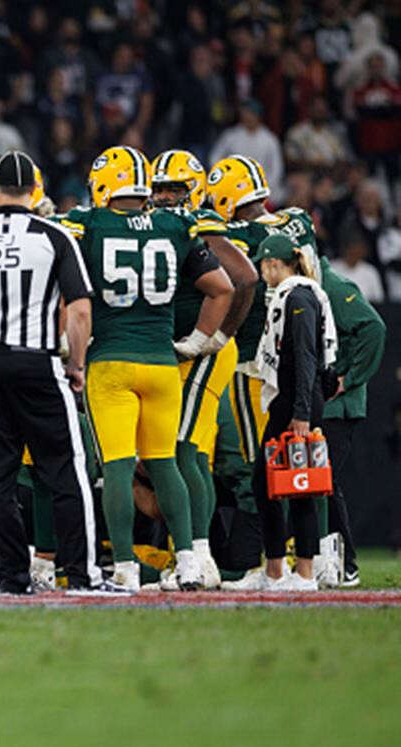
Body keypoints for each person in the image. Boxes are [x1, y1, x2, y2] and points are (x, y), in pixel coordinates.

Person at [57, 146, 234, 592]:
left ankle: (124, 569)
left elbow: (64, 291)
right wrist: (198, 340)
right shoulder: (174, 224)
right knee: (166, 464)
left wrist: (66, 342)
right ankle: (190, 560)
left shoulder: (89, 224)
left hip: (111, 361)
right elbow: (222, 288)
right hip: (160, 362)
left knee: (116, 469)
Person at [0, 151, 96, 594]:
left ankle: (11, 576)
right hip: (37, 360)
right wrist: (77, 364)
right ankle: (81, 575)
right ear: (35, 188)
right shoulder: (54, 235)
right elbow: (80, 310)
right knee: (65, 469)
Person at [208, 154, 325, 587]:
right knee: (294, 469)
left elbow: (232, 255)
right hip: (301, 362)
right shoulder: (297, 221)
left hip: (261, 365)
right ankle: (289, 563)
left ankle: (294, 563)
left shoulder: (240, 233)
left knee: (271, 467)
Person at [149, 149, 258, 589]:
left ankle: (200, 557)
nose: (166, 196)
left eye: (175, 187)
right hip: (184, 352)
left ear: (193, 190)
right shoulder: (168, 227)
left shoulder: (201, 223)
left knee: (181, 451)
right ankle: (193, 555)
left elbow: (245, 277)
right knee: (187, 454)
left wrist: (217, 335)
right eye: (160, 188)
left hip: (203, 353)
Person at [251, 235, 339, 591]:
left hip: (295, 401)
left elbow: (305, 358)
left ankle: (303, 573)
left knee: (300, 485)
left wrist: (302, 410)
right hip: (293, 399)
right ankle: (277, 570)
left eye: (262, 264)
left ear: (274, 263)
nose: (260, 272)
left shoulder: (298, 296)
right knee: (269, 483)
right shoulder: (296, 294)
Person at [317, 258, 386, 587]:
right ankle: (322, 556)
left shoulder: (335, 286)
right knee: (314, 482)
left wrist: (349, 377)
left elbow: (374, 328)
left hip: (338, 406)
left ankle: (346, 562)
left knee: (323, 482)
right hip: (320, 404)